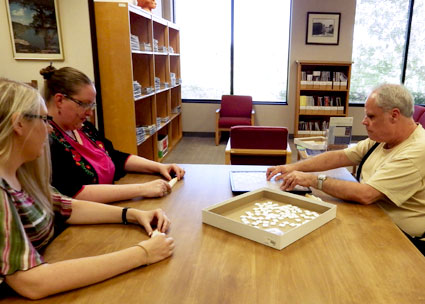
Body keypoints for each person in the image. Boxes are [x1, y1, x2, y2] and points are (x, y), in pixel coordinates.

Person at [0, 79, 175, 299]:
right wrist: (143, 253)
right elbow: (32, 282)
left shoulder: (22, 173)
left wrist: (133, 214)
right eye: (44, 120)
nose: (47, 128)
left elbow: (67, 207)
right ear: (18, 124)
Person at [267, 84, 425, 255]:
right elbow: (341, 156)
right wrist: (291, 167)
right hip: (371, 216)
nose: (364, 121)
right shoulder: (383, 138)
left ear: (394, 115)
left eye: (371, 116)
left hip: (401, 240)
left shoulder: (416, 151)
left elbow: (366, 194)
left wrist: (312, 180)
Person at [40, 65, 185, 203]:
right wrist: (141, 189)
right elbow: (73, 194)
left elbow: (115, 156)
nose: (90, 112)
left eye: (92, 105)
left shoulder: (83, 128)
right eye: (84, 104)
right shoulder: (47, 141)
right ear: (59, 100)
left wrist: (159, 167)